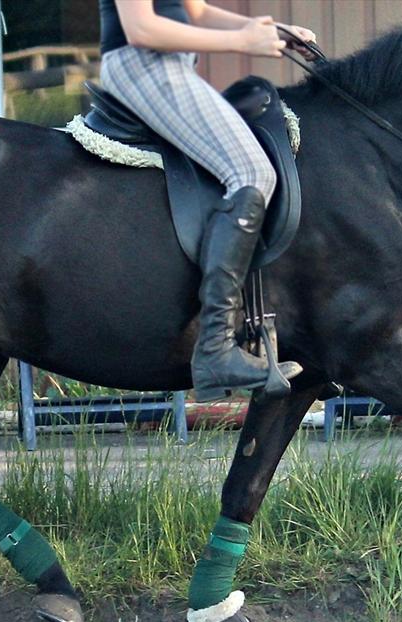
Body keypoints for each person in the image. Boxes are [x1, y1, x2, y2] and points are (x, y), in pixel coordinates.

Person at [98, 0, 316, 399]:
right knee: (251, 172)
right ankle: (215, 348)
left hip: (172, 67)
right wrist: (241, 40)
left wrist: (268, 29)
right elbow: (141, 28)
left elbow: (195, 12)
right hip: (143, 64)